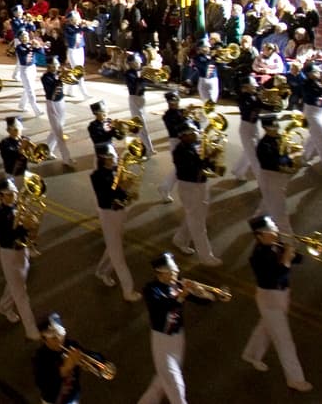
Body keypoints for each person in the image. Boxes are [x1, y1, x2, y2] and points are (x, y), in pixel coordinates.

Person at [241, 215, 312, 392]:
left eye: (274, 229)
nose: (275, 233)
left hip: (282, 294)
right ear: (259, 236)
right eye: (270, 232)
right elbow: (274, 275)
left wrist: (293, 251)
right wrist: (286, 258)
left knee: (265, 327)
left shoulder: (276, 245)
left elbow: (299, 259)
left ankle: (251, 354)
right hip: (269, 297)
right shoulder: (257, 256)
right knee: (284, 339)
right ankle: (295, 379)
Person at [138, 252, 216, 404]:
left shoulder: (177, 285)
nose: (177, 273)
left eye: (176, 270)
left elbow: (206, 301)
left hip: (178, 339)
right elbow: (163, 307)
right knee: (176, 386)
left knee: (162, 382)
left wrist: (202, 292)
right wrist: (182, 295)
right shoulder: (151, 290)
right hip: (162, 341)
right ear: (160, 273)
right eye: (172, 272)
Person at [90, 143, 142, 302]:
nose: (115, 159)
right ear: (102, 159)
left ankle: (101, 271)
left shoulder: (115, 170)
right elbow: (106, 196)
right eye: (111, 157)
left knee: (114, 245)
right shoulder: (97, 176)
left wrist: (128, 190)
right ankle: (128, 290)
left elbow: (120, 191)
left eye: (114, 156)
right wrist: (122, 187)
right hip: (109, 214)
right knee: (118, 255)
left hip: (120, 212)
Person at [0, 177, 40, 340]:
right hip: (9, 254)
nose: (14, 197)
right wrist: (23, 226)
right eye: (9, 194)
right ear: (1, 196)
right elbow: (6, 236)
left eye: (15, 193)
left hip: (22, 251)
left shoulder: (19, 206)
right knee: (21, 293)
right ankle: (31, 329)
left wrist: (32, 229)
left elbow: (27, 232)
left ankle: (4, 307)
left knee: (16, 283)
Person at [172, 122, 221, 266]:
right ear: (183, 136)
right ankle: (206, 256)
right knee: (198, 223)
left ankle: (180, 239)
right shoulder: (180, 152)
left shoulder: (196, 144)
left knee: (196, 215)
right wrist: (209, 156)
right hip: (189, 187)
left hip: (201, 184)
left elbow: (204, 163)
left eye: (195, 131)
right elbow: (194, 167)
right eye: (192, 132)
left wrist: (213, 159)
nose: (196, 133)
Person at [31, 312, 106, 404]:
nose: (60, 340)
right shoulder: (40, 358)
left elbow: (90, 355)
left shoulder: (71, 345)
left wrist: (97, 361)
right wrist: (65, 369)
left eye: (61, 334)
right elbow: (44, 385)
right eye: (54, 338)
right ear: (44, 339)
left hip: (73, 396)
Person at [254, 114, 296, 234]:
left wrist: (290, 155)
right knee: (280, 209)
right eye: (274, 125)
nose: (277, 127)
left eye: (277, 124)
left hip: (277, 176)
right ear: (266, 128)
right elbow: (274, 163)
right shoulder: (264, 145)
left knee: (268, 202)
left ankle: (257, 221)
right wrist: (290, 157)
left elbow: (282, 156)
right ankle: (287, 237)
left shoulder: (278, 138)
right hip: (270, 176)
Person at [41, 58, 74, 166]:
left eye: (57, 64)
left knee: (56, 129)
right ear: (48, 66)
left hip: (61, 102)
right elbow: (52, 91)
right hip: (52, 104)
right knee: (59, 132)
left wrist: (68, 73)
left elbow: (73, 80)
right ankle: (67, 159)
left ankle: (47, 151)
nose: (55, 66)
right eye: (53, 65)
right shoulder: (45, 77)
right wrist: (60, 77)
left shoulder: (58, 73)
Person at [123, 53, 154, 155]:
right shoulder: (129, 74)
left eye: (140, 61)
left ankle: (139, 145)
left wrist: (151, 76)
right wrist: (142, 77)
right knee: (142, 125)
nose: (140, 63)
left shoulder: (138, 72)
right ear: (131, 64)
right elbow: (136, 88)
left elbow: (149, 82)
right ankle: (149, 149)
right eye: (137, 62)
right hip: (135, 99)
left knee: (140, 124)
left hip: (141, 98)